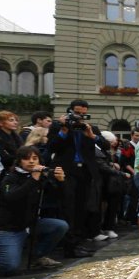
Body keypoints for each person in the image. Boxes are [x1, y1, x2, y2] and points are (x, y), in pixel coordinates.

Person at [0, 146, 68, 275]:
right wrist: (33, 179)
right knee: (9, 266)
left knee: (60, 226)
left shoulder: (40, 177)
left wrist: (61, 181)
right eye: (26, 159)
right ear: (19, 161)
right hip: (8, 229)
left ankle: (37, 256)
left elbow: (59, 197)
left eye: (35, 158)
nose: (31, 162)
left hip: (30, 224)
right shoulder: (10, 177)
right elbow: (11, 197)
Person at [46, 100, 109, 258]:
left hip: (85, 173)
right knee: (68, 209)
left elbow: (106, 145)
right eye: (76, 112)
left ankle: (78, 243)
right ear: (69, 111)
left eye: (83, 113)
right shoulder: (58, 126)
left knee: (81, 209)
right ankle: (69, 245)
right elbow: (52, 147)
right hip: (66, 172)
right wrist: (64, 130)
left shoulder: (89, 128)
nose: (79, 116)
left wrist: (92, 136)